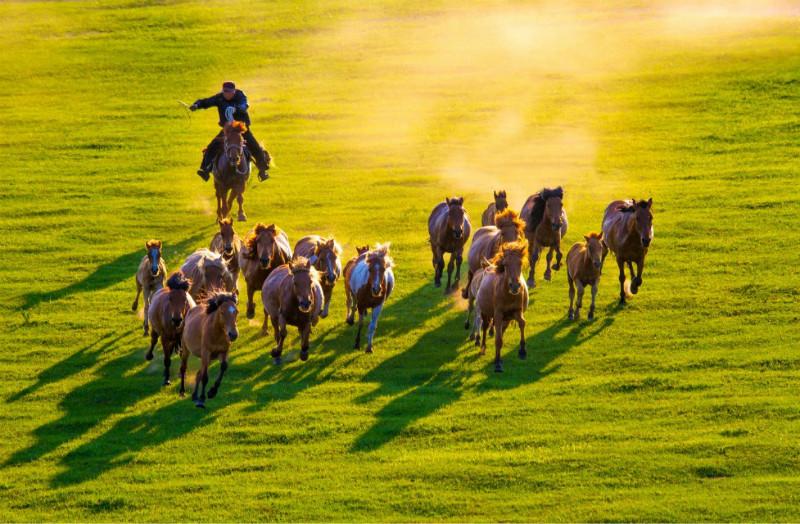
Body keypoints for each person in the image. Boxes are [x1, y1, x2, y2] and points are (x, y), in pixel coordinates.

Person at [190, 81, 270, 182]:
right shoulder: (219, 98)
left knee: (255, 146)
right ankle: (205, 170)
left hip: (242, 129)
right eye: (224, 91)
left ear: (233, 92)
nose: (226, 94)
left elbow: (244, 105)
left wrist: (237, 108)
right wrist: (196, 105)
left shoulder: (240, 96)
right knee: (212, 146)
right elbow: (206, 102)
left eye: (228, 92)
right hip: (227, 130)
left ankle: (263, 171)